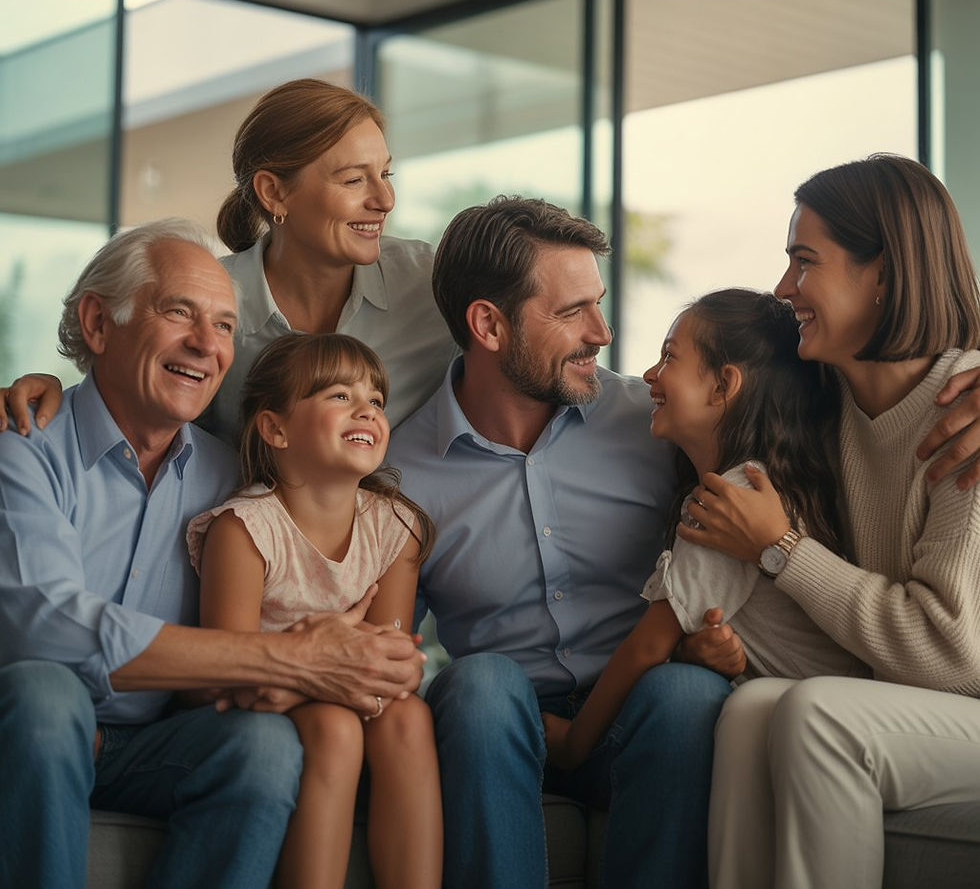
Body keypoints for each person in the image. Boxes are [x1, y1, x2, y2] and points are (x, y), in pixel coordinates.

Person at [0, 221, 425, 889]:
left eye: (225, 325)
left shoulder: (235, 480)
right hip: (30, 726)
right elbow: (42, 625)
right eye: (179, 313)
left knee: (261, 746)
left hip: (154, 741)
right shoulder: (24, 444)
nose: (206, 343)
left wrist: (344, 651)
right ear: (97, 323)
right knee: (47, 692)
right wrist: (290, 657)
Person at [387, 196, 739, 889]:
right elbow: (388, 644)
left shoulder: (652, 422)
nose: (602, 332)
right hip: (499, 732)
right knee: (481, 686)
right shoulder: (401, 472)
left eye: (598, 303)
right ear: (488, 324)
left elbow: (793, 425)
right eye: (572, 311)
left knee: (687, 696)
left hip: (640, 711)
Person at [675, 154, 980, 889]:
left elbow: (951, 653)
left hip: (961, 698)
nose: (784, 291)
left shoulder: (966, 418)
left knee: (819, 715)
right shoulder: (826, 405)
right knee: (751, 713)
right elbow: (691, 383)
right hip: (907, 704)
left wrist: (781, 548)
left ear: (883, 273)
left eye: (803, 262)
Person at [1, 77, 457, 444]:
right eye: (355, 180)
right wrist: (48, 396)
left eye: (385, 174)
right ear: (274, 192)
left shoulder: (434, 284)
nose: (385, 199)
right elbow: (129, 399)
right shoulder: (209, 306)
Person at [542, 288, 869, 771]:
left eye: (669, 356)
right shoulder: (777, 479)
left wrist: (574, 745)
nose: (651, 375)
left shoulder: (731, 499)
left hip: (826, 735)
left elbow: (647, 646)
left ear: (723, 387)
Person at [186, 332, 441, 889]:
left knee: (408, 716)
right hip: (263, 705)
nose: (367, 411)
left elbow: (395, 663)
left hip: (349, 694)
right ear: (276, 428)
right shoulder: (246, 529)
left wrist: (357, 667)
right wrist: (311, 671)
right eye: (339, 396)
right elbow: (220, 671)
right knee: (334, 728)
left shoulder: (395, 528)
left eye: (376, 400)